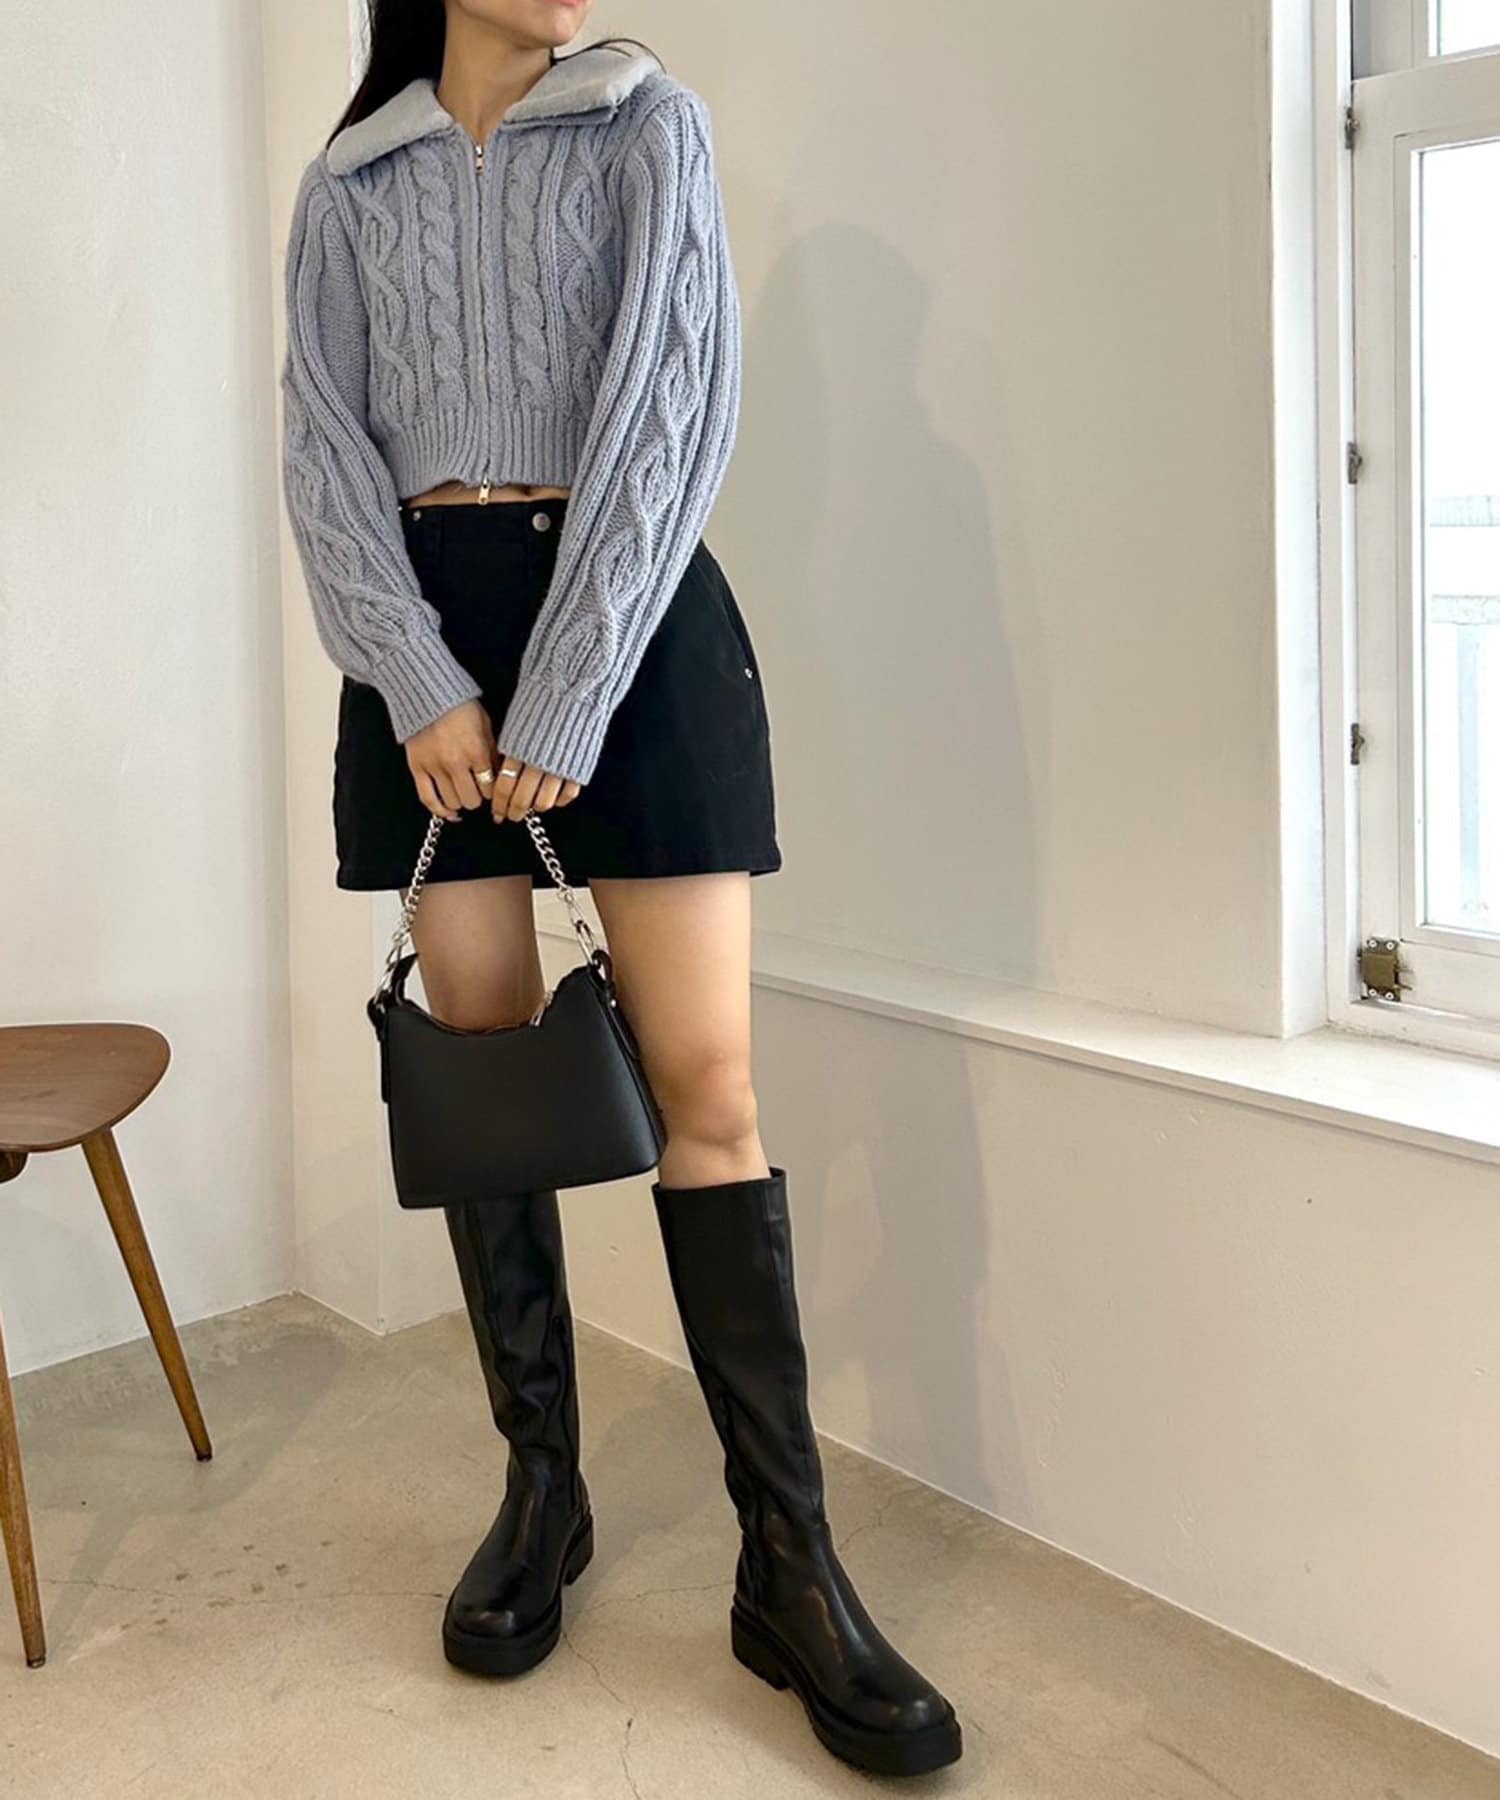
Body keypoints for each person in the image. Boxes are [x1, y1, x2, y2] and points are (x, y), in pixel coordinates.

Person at [279, 0, 961, 1776]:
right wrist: (417, 680)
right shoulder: (351, 181)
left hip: (633, 625)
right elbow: (323, 449)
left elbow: (677, 407)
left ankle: (790, 1571)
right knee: (488, 1074)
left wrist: (568, 686)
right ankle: (544, 1493)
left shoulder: (650, 123)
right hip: (425, 650)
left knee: (707, 1091)